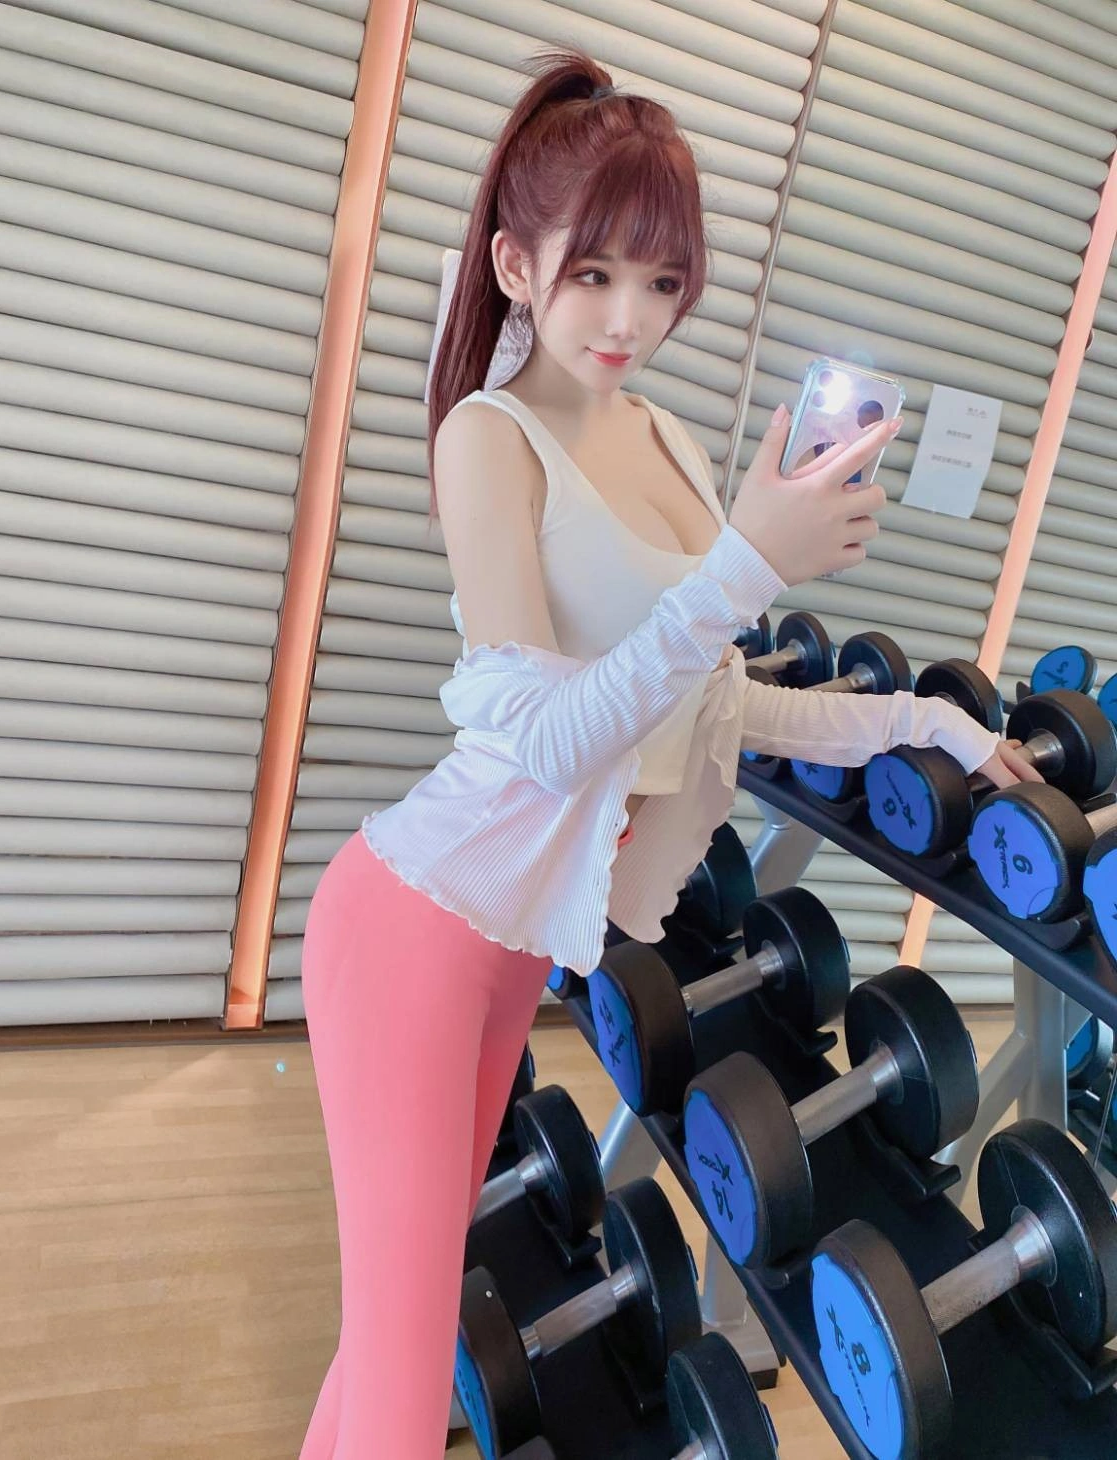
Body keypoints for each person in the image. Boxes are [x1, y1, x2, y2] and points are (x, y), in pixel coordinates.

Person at [297, 49, 1039, 1460]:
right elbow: (542, 738)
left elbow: (721, 708)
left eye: (660, 279)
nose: (629, 316)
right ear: (515, 266)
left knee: (394, 1325)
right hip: (410, 930)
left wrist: (924, 722)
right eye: (592, 274)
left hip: (510, 950)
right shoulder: (488, 440)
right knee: (403, 1362)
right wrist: (744, 563)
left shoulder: (676, 443)